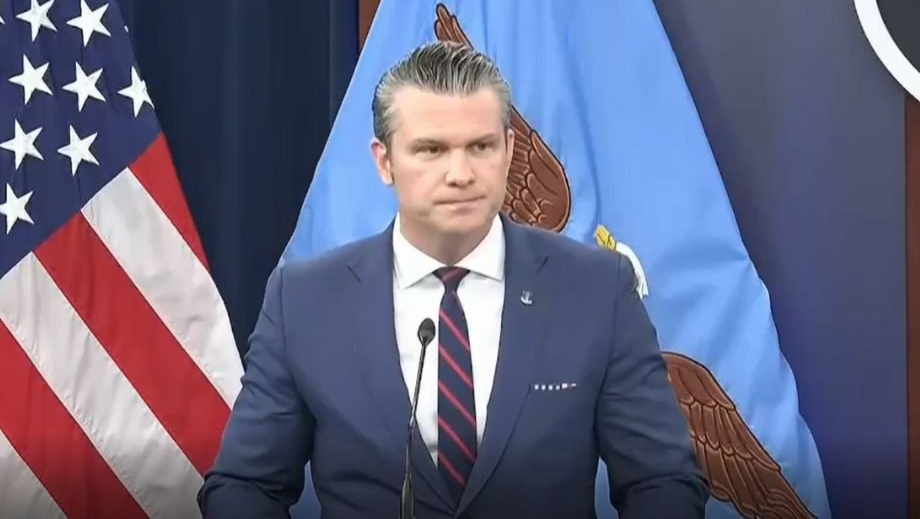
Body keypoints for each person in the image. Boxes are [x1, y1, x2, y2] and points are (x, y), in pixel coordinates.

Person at [198, 41, 708, 519]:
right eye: (431, 150)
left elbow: (663, 479)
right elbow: (245, 484)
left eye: (481, 146)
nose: (461, 174)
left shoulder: (597, 290)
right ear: (385, 162)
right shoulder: (304, 302)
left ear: (509, 150)